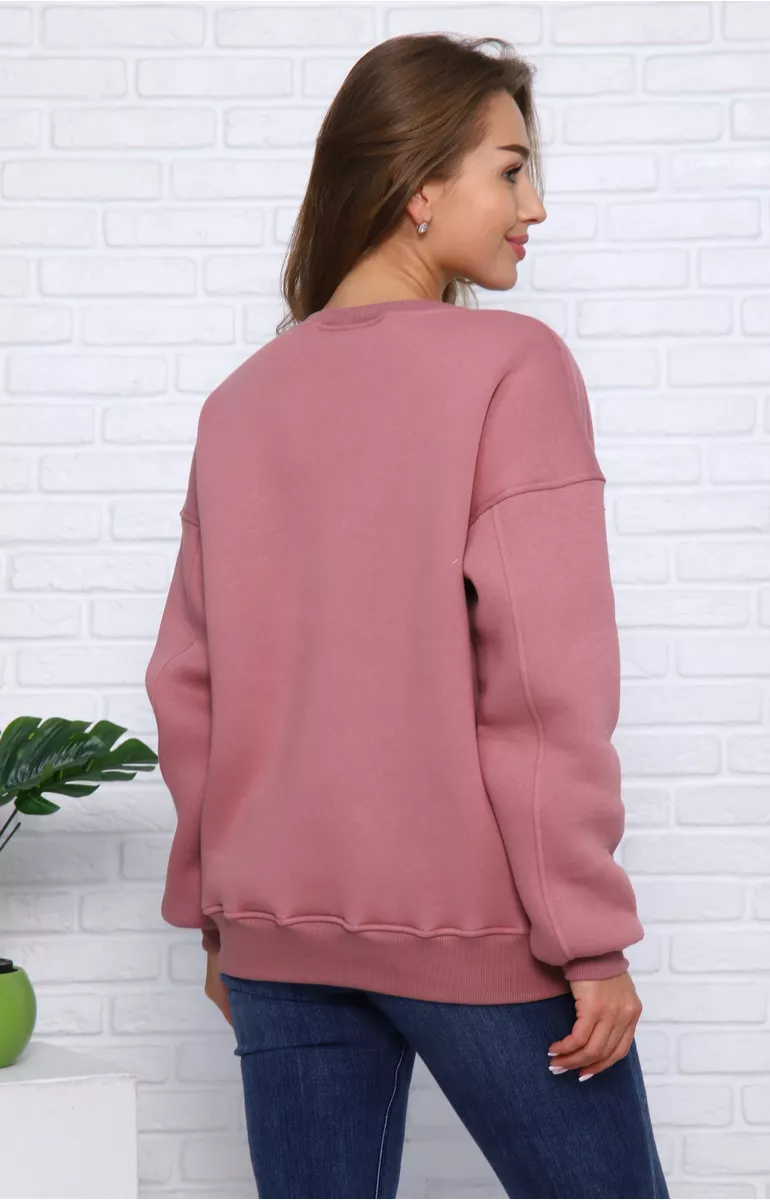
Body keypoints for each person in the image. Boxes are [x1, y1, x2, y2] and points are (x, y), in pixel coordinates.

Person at [146, 31, 668, 1200]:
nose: (535, 206)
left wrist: (220, 919)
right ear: (420, 187)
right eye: (511, 170)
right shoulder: (512, 365)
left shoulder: (239, 404)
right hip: (475, 929)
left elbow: (190, 687)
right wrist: (586, 936)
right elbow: (543, 682)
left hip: (275, 932)